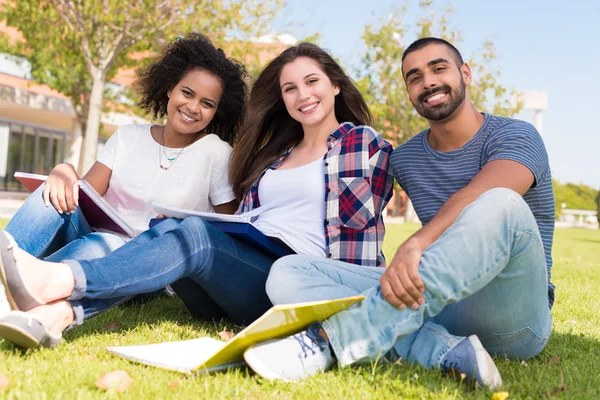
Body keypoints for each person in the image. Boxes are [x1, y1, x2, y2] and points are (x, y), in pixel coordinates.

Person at [0, 42, 394, 349]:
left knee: (192, 235)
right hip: (235, 277)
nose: (301, 94)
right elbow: (242, 218)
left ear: (335, 85)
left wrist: (339, 302)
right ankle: (56, 316)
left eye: (312, 82)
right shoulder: (276, 156)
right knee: (177, 228)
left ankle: (56, 282)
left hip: (293, 280)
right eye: (289, 88)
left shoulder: (358, 143)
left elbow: (360, 236)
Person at [242, 37, 555, 391]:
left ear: (465, 73)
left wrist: (416, 243)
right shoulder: (405, 159)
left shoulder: (517, 134)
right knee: (288, 273)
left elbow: (480, 194)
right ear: (409, 92)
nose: (429, 82)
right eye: (415, 77)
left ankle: (331, 342)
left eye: (439, 69)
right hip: (440, 303)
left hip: (513, 315)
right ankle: (443, 350)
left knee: (500, 203)